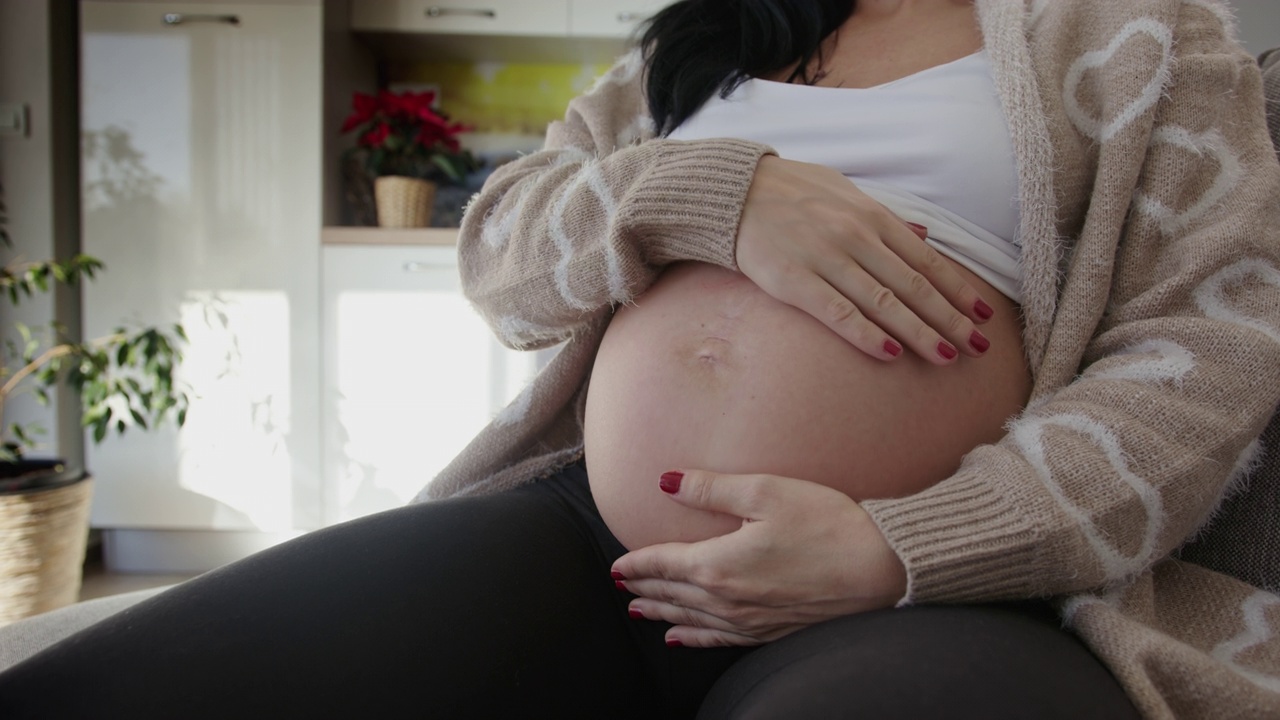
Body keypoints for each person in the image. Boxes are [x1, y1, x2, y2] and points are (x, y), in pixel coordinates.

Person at [2, 0, 1279, 717]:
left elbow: (1206, 355)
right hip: (582, 538)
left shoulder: (1141, 36)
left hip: (940, 581)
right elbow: (499, 251)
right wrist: (706, 194)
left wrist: (906, 547)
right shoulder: (703, 41)